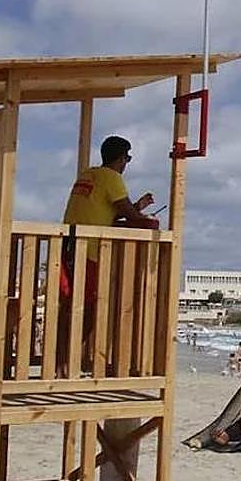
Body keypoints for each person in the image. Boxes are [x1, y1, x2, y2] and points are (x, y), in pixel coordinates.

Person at [59, 135, 158, 371]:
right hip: (90, 248)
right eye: (127, 158)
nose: (127, 164)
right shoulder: (112, 177)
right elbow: (130, 217)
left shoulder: (88, 174)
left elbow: (108, 213)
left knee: (68, 305)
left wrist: (138, 207)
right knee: (89, 307)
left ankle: (60, 362)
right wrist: (144, 217)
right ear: (121, 157)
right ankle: (68, 361)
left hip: (68, 246)